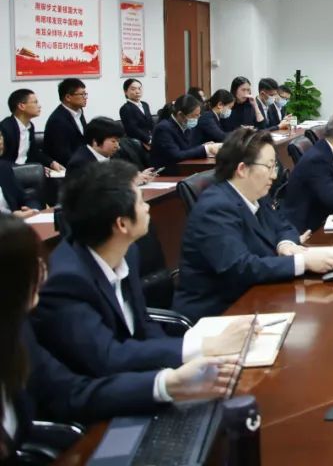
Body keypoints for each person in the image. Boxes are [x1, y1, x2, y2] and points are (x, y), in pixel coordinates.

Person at [0, 216, 239, 461]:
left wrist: (169, 383)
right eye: (32, 263)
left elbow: (71, 392)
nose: (44, 270)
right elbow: (106, 359)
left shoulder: (16, 331)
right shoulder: (61, 282)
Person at [32, 161, 250, 376]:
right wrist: (201, 348)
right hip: (102, 388)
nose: (147, 207)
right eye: (140, 202)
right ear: (122, 224)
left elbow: (143, 324)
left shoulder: (127, 252)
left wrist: (177, 364)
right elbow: (108, 357)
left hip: (138, 373)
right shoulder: (66, 281)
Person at [173, 130, 333, 320]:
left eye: (275, 166)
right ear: (242, 169)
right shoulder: (215, 208)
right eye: (269, 167)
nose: (274, 175)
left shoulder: (256, 194)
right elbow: (240, 267)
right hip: (218, 313)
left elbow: (284, 225)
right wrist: (302, 262)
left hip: (255, 297)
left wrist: (286, 244)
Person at [65, 117, 150, 181]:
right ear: (95, 141)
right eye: (113, 141)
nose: (118, 146)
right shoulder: (79, 164)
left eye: (118, 141)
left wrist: (137, 176)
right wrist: (130, 182)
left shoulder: (113, 154)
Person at [149, 95, 221, 170]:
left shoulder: (185, 126)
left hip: (182, 167)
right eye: (195, 116)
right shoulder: (163, 128)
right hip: (165, 171)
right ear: (180, 115)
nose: (198, 118)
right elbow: (176, 155)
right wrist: (205, 149)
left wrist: (203, 146)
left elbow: (187, 150)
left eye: (199, 115)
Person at [0, 89, 62, 171]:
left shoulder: (30, 126)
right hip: (9, 172)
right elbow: (4, 159)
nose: (39, 106)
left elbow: (33, 152)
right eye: (35, 102)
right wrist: (30, 169)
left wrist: (51, 163)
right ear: (21, 106)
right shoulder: (6, 128)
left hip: (25, 170)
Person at [44, 78, 88, 167]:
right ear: (68, 97)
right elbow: (63, 154)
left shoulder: (79, 112)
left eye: (85, 94)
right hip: (66, 166)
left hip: (81, 161)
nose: (85, 97)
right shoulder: (58, 120)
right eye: (82, 94)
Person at [0, 134, 42, 219]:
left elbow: (25, 198)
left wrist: (33, 210)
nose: (1, 141)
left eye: (0, 136)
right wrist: (11, 217)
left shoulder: (3, 168)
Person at [118, 79, 153, 148]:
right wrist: (149, 140)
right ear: (125, 92)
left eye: (139, 88)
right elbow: (133, 129)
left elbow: (151, 123)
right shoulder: (125, 108)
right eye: (133, 89)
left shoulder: (145, 105)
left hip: (151, 138)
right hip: (138, 142)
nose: (137, 91)